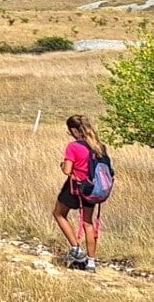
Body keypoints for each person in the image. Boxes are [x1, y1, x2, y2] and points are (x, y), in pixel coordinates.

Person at [53, 114, 107, 271]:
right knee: (88, 223)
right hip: (93, 189)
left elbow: (67, 170)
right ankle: (91, 262)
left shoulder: (73, 147)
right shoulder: (99, 146)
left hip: (75, 187)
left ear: (74, 131)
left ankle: (76, 249)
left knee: (59, 213)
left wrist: (62, 165)